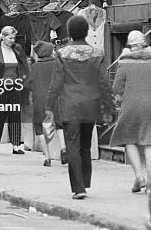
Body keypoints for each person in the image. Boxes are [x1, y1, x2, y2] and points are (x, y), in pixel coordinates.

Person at [46, 16, 115, 200]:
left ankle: (78, 187)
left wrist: (49, 107)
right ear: (86, 32)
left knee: (73, 146)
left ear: (69, 32)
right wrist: (109, 108)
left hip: (69, 104)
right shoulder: (97, 53)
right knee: (85, 145)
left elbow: (56, 83)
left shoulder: (62, 53)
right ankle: (85, 180)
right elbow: (104, 83)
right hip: (90, 105)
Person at [109, 30, 151, 193]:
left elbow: (116, 88)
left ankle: (139, 176)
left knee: (129, 139)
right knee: (149, 141)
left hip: (131, 106)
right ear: (144, 42)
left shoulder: (125, 62)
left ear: (129, 45)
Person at [0, 26, 29, 155]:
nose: (12, 40)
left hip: (15, 87)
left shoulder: (17, 50)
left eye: (14, 38)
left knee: (15, 116)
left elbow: (24, 66)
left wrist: (24, 80)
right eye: (10, 38)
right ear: (3, 37)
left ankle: (16, 145)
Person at [29, 41, 67, 167]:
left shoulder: (33, 67)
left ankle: (47, 158)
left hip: (39, 101)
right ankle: (63, 148)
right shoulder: (58, 64)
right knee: (60, 125)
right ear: (49, 52)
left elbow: (27, 85)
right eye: (52, 50)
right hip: (56, 99)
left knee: (40, 128)